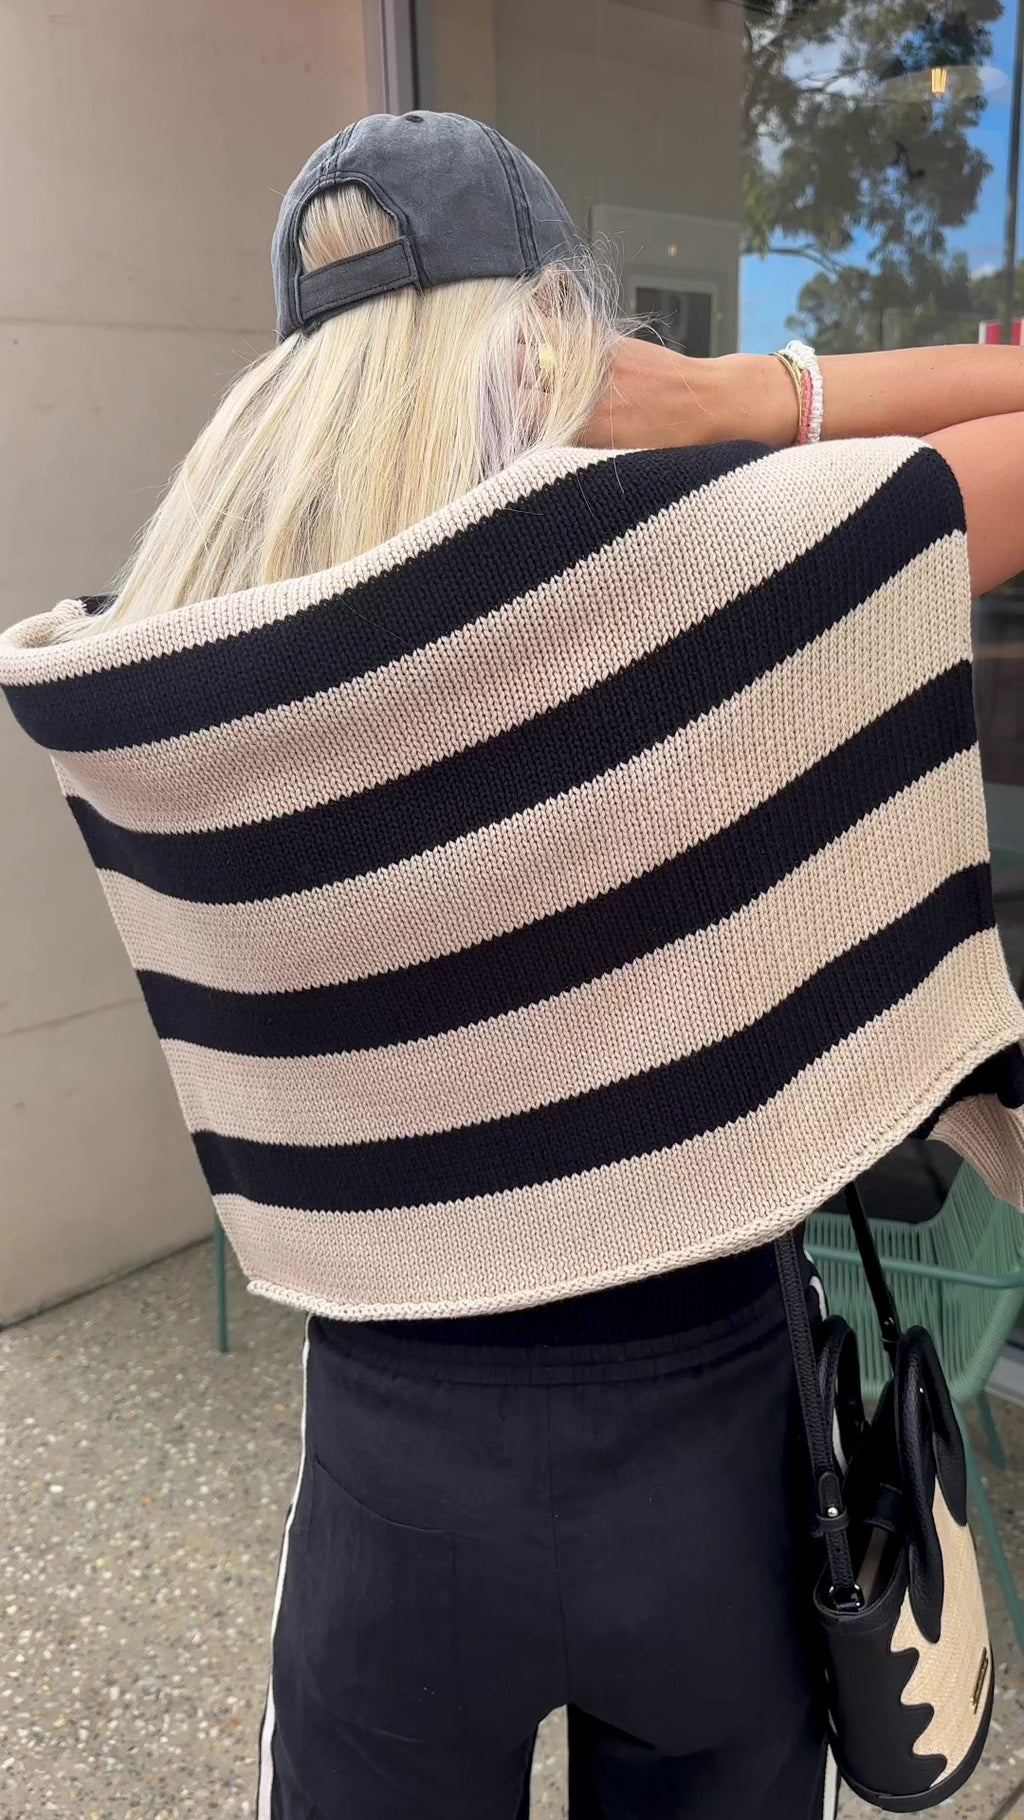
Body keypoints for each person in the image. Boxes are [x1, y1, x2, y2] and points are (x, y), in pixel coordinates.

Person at [2, 111, 1024, 1820]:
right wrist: (734, 400)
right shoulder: (709, 579)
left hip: (397, 1459)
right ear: (555, 326)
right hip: (714, 1438)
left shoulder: (166, 679)